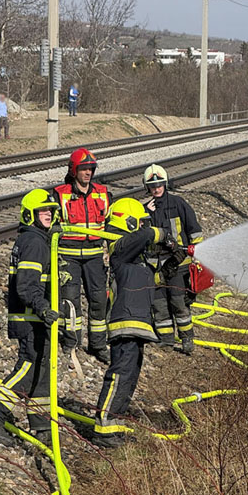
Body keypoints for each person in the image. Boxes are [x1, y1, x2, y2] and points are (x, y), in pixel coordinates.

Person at [0, 189, 67, 447]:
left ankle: (40, 426)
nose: (49, 213)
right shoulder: (35, 242)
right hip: (30, 319)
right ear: (30, 215)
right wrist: (44, 309)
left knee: (41, 370)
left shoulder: (35, 239)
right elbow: (26, 286)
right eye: (43, 211)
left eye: (50, 209)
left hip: (34, 318)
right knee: (28, 367)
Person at [93, 198, 172, 449]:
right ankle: (103, 426)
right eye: (140, 223)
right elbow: (145, 235)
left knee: (130, 376)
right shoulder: (120, 247)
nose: (144, 227)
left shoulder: (137, 256)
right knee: (119, 374)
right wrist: (159, 233)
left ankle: (116, 426)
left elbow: (156, 273)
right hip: (124, 323)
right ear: (129, 223)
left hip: (139, 324)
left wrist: (174, 255)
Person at [53, 148, 111, 364]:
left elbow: (111, 222)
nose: (88, 173)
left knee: (98, 301)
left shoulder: (103, 193)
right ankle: (71, 343)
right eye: (84, 169)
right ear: (73, 170)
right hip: (68, 257)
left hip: (95, 257)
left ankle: (98, 344)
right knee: (70, 302)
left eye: (91, 169)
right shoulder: (59, 194)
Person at [143, 164, 203, 354]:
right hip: (156, 267)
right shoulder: (146, 210)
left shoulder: (178, 204)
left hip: (178, 264)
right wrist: (147, 214)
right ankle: (166, 340)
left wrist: (195, 256)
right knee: (159, 305)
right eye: (152, 186)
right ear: (147, 188)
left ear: (165, 184)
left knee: (178, 303)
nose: (156, 188)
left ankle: (187, 340)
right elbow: (142, 236)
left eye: (159, 184)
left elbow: (195, 231)